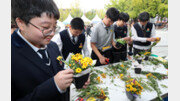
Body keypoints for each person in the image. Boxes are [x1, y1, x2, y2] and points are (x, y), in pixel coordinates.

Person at [11, 0, 89, 101]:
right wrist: (54, 86)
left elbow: (59, 70)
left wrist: (75, 78)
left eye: (54, 27)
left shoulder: (53, 46)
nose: (52, 33)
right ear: (21, 23)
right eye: (46, 27)